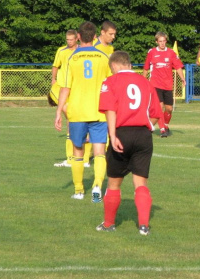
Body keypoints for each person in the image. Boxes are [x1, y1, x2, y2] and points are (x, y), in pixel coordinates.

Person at [96, 50, 162, 236]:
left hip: (121, 134)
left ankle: (109, 224)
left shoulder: (110, 81)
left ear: (115, 66)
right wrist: (147, 128)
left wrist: (113, 134)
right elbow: (157, 113)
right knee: (140, 183)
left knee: (114, 184)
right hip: (143, 135)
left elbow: (110, 109)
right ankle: (143, 226)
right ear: (129, 64)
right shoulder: (146, 82)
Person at [54, 21, 111, 202]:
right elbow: (111, 85)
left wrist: (58, 112)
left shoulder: (73, 58)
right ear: (95, 37)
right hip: (99, 111)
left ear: (78, 37)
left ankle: (79, 191)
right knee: (100, 151)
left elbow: (65, 88)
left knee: (78, 150)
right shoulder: (103, 57)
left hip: (77, 111)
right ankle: (97, 186)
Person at [49, 29, 91, 168]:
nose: (69, 42)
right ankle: (72, 158)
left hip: (77, 90)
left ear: (77, 39)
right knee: (70, 120)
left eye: (71, 40)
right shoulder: (61, 51)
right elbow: (55, 66)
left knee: (78, 121)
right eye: (67, 40)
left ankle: (82, 159)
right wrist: (53, 79)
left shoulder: (81, 52)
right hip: (64, 89)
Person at [143, 31, 186, 138]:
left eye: (164, 41)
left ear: (166, 41)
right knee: (159, 107)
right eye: (160, 41)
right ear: (157, 42)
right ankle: (162, 130)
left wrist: (182, 79)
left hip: (167, 85)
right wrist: (143, 81)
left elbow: (178, 67)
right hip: (155, 84)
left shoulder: (171, 53)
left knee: (169, 109)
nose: (162, 43)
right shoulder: (152, 52)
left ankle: (165, 126)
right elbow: (146, 68)